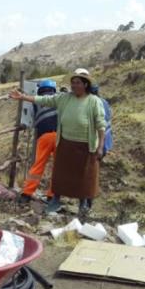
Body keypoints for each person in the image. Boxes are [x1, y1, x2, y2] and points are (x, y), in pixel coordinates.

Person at [10, 69, 106, 216]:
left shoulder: (94, 101)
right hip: (65, 142)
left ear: (85, 85)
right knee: (60, 174)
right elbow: (44, 100)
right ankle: (55, 200)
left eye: (78, 83)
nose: (74, 86)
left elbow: (101, 125)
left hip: (86, 145)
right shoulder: (64, 98)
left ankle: (83, 205)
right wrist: (23, 97)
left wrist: (100, 147)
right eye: (72, 83)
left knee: (84, 176)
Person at [18, 79, 58, 204]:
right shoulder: (60, 99)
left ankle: (26, 194)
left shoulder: (35, 102)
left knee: (38, 165)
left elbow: (29, 119)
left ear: (40, 89)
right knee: (58, 168)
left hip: (44, 137)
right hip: (60, 136)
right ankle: (52, 196)